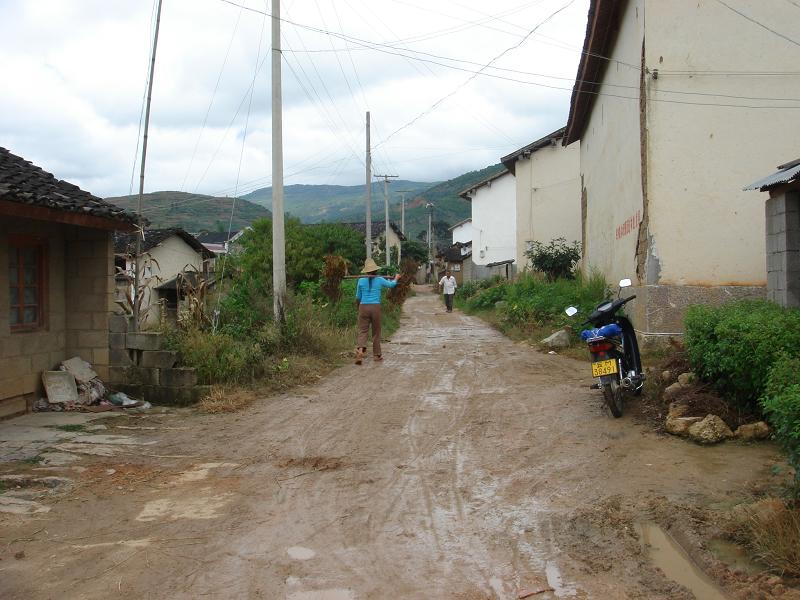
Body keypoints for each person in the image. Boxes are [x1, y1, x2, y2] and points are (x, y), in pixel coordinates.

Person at [355, 258, 400, 365]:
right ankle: (376, 355)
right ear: (375, 270)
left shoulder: (361, 280)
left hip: (363, 307)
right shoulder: (379, 279)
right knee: (376, 332)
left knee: (363, 331)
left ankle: (360, 350)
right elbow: (392, 285)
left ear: (366, 270)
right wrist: (396, 278)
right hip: (375, 307)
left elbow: (358, 297)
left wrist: (359, 308)